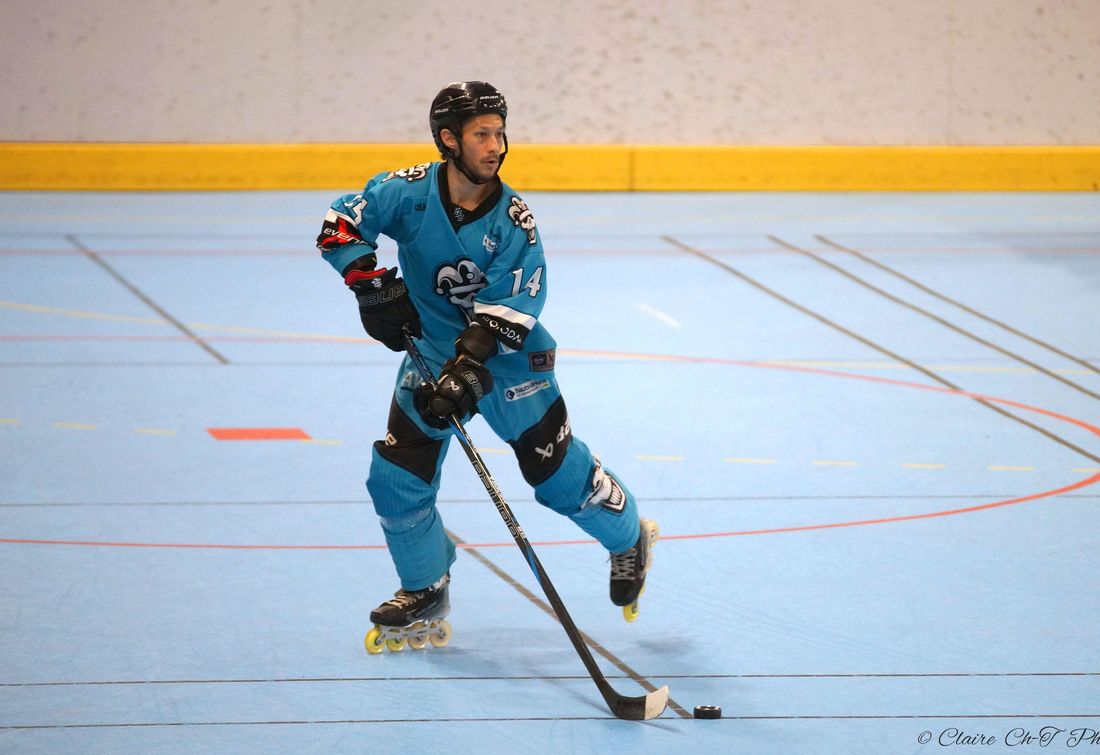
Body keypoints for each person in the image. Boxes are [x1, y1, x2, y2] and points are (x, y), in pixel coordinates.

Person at [316, 81, 657, 652]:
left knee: (558, 483)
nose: (496, 145)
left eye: (500, 133)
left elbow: (513, 306)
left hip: (512, 363)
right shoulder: (408, 192)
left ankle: (629, 537)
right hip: (431, 355)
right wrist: (370, 285)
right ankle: (424, 586)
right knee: (396, 477)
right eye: (482, 134)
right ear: (449, 139)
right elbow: (341, 224)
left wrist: (471, 368)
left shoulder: (514, 221)